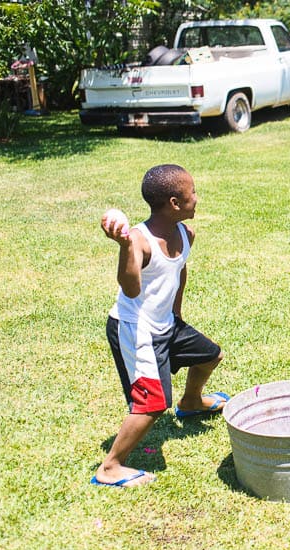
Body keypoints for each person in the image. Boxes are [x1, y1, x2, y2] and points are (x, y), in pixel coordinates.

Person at [93, 164, 227, 488]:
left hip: (166, 323)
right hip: (135, 327)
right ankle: (110, 467)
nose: (197, 198)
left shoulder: (186, 233)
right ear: (174, 203)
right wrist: (125, 247)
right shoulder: (140, 240)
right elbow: (131, 288)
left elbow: (179, 271)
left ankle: (191, 403)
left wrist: (177, 315)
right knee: (152, 403)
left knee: (210, 356)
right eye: (191, 193)